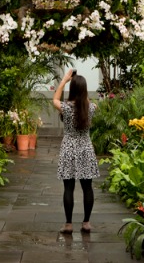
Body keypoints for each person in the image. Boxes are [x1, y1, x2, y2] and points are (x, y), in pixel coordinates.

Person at [52, 68, 99, 234]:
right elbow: (85, 100)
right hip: (86, 148)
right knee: (87, 187)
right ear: (85, 91)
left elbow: (55, 99)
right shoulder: (91, 107)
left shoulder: (66, 108)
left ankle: (68, 224)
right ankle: (86, 222)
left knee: (68, 188)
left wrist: (64, 80)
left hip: (69, 148)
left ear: (72, 89)